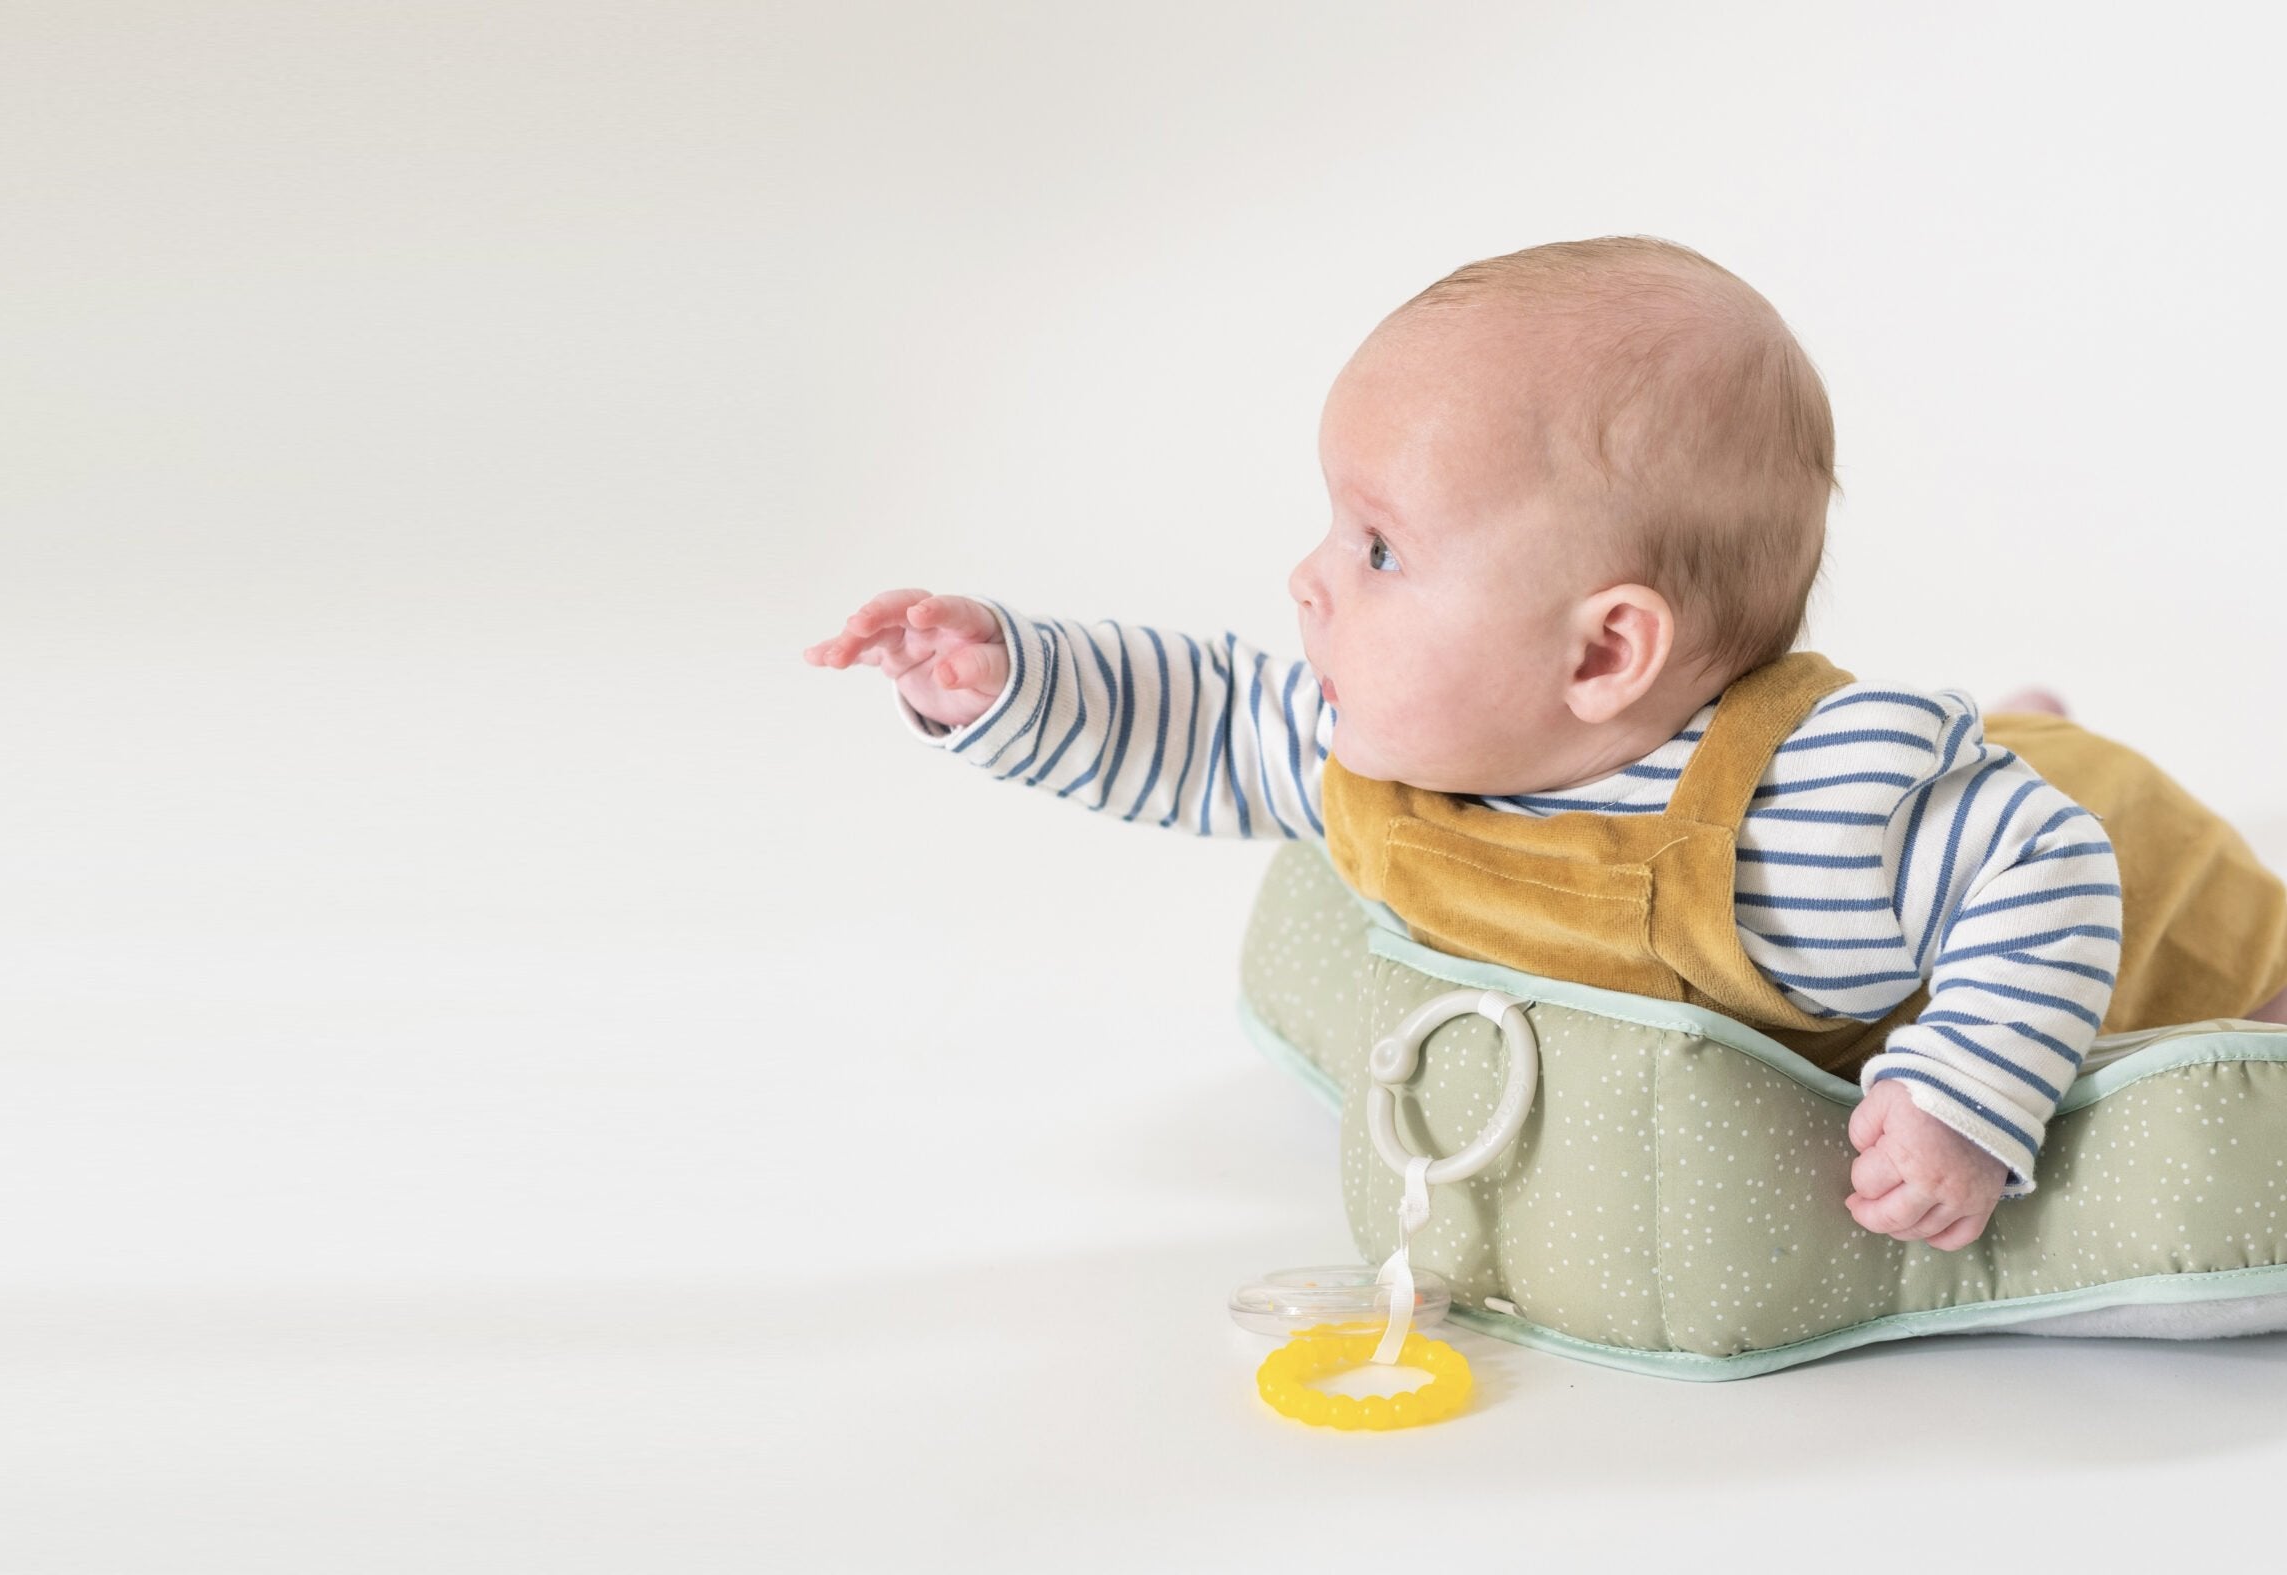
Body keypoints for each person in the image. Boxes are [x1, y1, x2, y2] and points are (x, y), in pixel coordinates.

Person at [803, 236, 2287, 1253]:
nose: (1310, 579)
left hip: (2142, 881)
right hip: (1940, 825)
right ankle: (2007, 728)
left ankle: (2026, 744)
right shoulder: (1374, 750)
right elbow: (1204, 724)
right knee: (1956, 810)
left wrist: (1966, 1094)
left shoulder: (1808, 828)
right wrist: (1002, 679)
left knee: (2089, 857)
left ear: (1601, 652)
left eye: (1378, 548)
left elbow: (2048, 867)